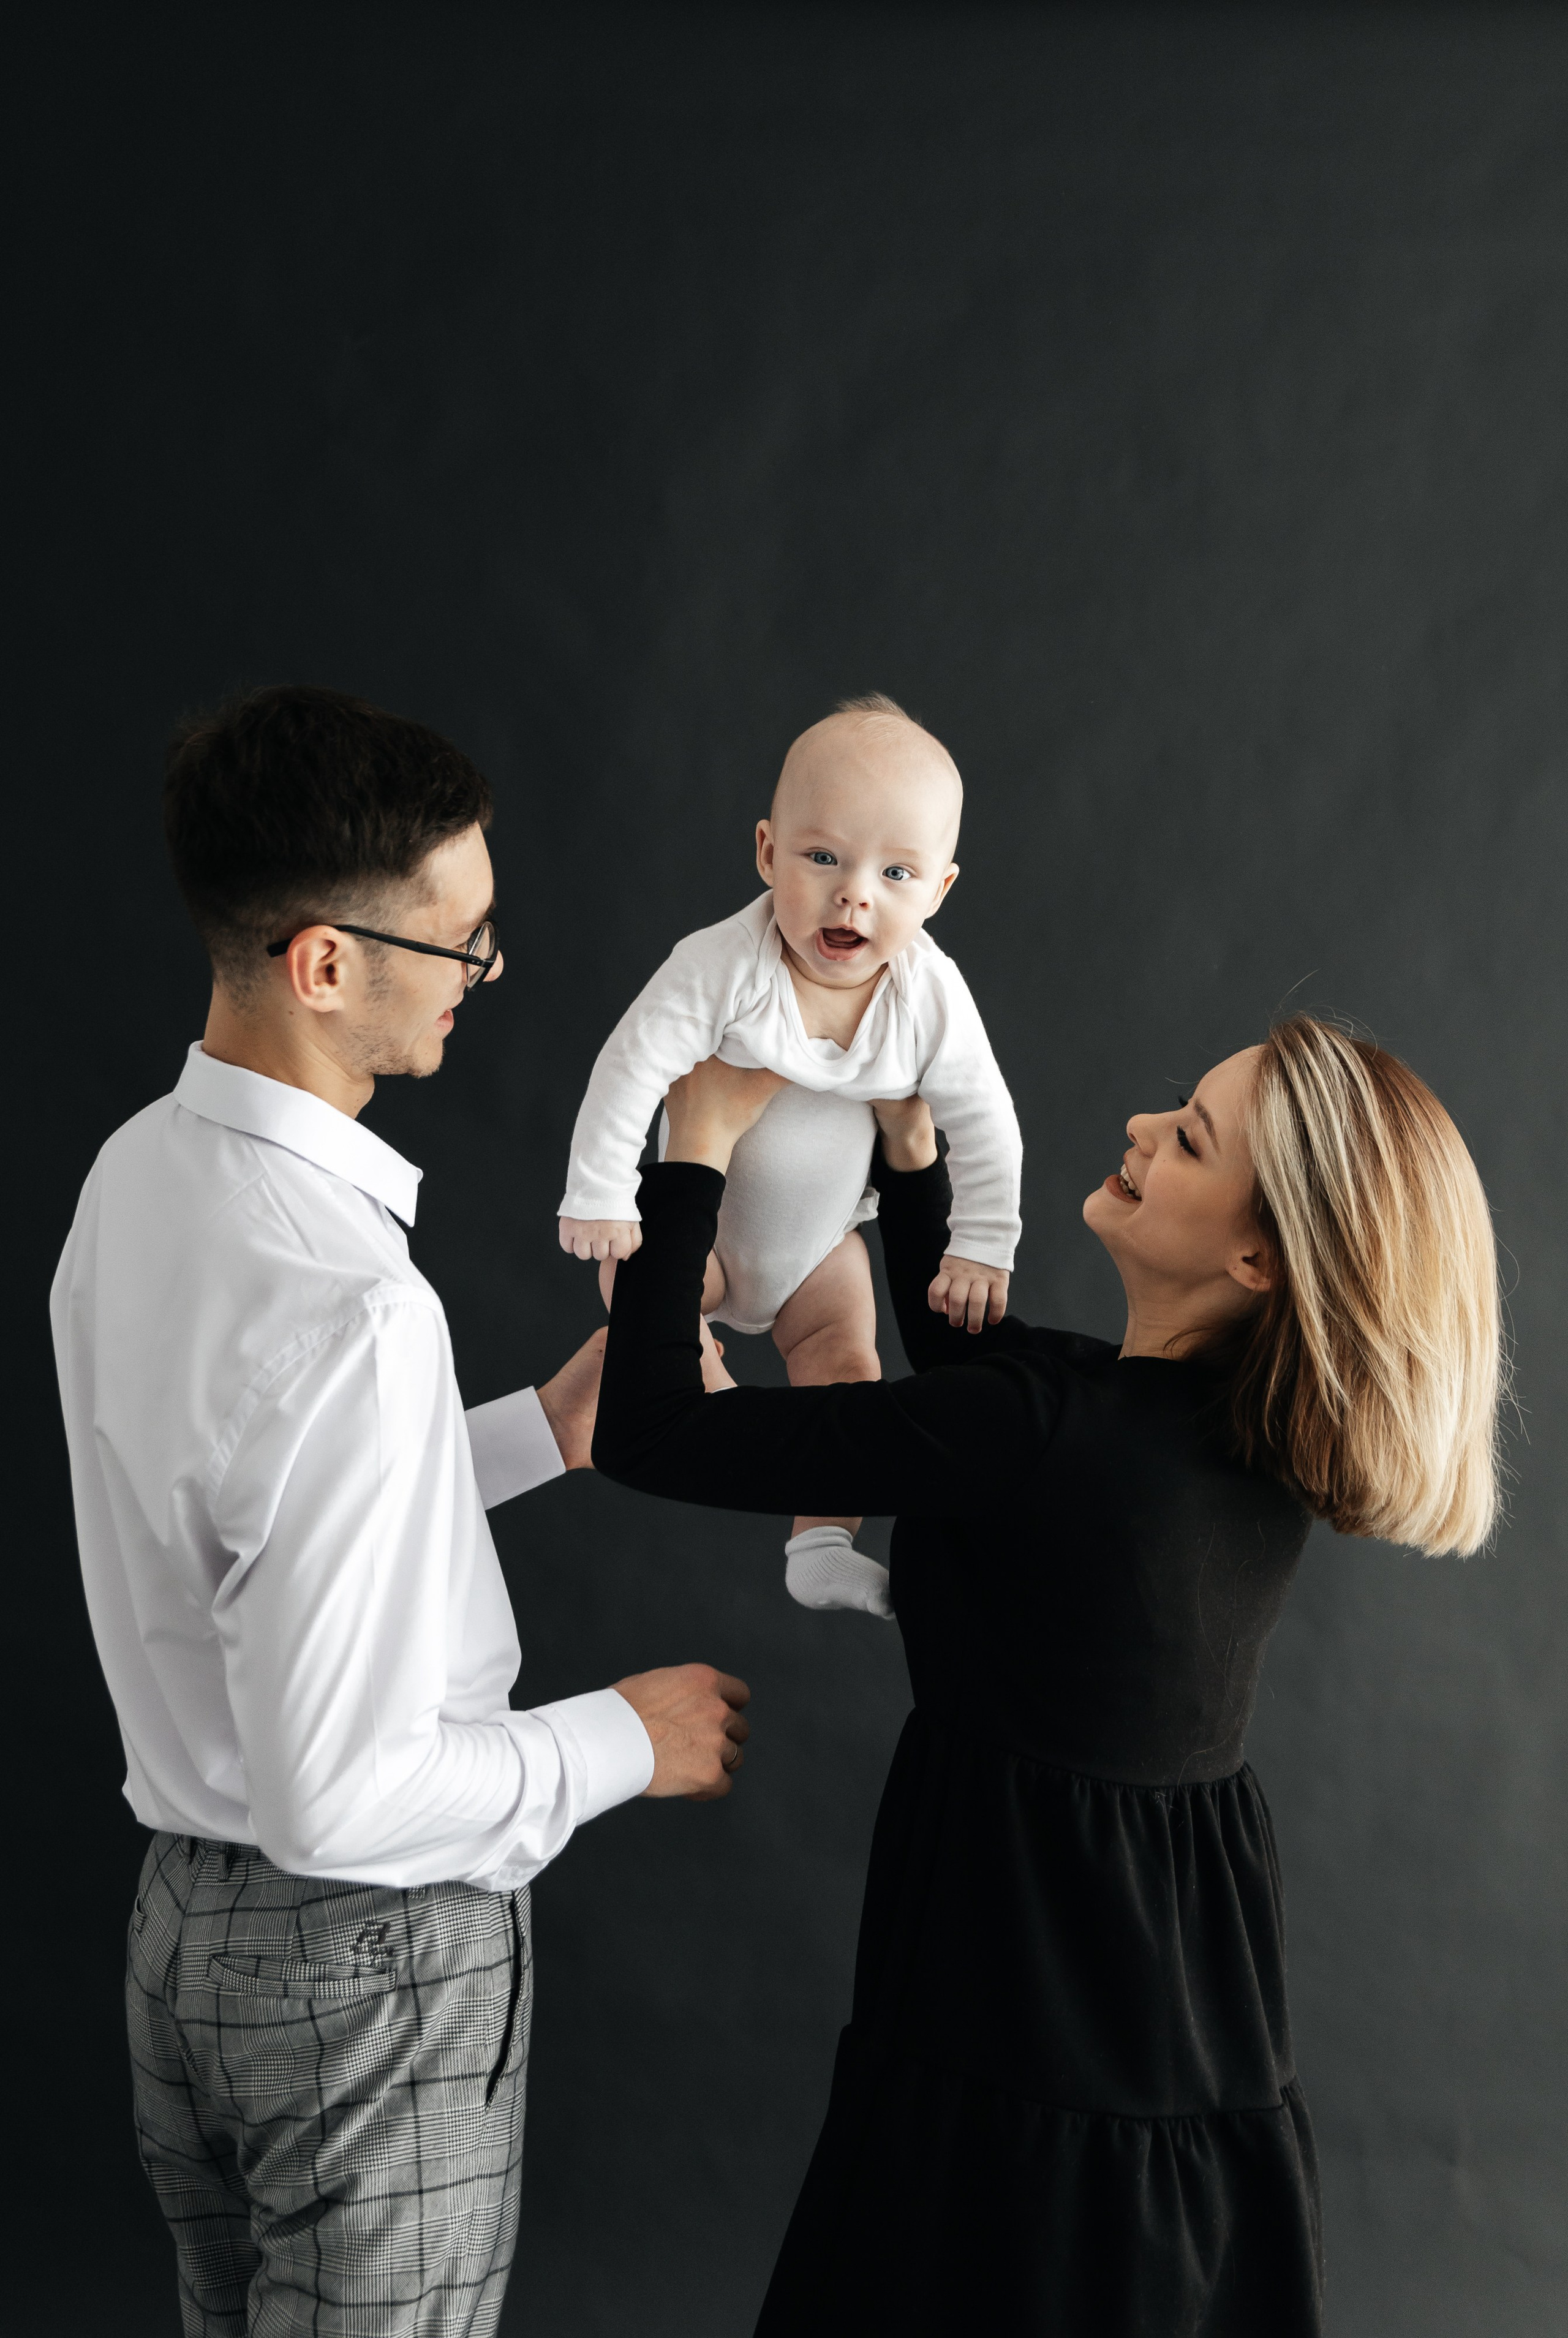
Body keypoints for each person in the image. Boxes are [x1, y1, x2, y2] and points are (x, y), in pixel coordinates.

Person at [590, 1020, 1504, 2336]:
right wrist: (909, 1150)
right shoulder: (1228, 1437)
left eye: (1186, 1137)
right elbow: (969, 1364)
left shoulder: (1038, 1430)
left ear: (1256, 1254)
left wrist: (695, 1146)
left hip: (1013, 1999)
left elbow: (648, 1428)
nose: (1140, 1129)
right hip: (1167, 2003)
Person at [50, 684, 751, 2338]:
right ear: (324, 963)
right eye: (460, 947)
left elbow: (251, 1513)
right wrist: (622, 1743)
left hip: (182, 1946)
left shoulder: (134, 1180)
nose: (480, 983)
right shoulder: (359, 1308)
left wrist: (534, 1435)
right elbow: (342, 1799)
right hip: (359, 1972)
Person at [558, 693, 1022, 1620]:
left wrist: (983, 1243)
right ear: (767, 851)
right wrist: (601, 1188)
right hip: (709, 1241)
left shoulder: (930, 994)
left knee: (851, 1370)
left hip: (823, 1250)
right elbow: (631, 1064)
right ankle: (703, 1377)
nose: (856, 893)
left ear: (940, 892)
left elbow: (986, 1121)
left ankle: (820, 1545)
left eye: (897, 872)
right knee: (637, 1279)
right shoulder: (722, 963)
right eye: (824, 857)